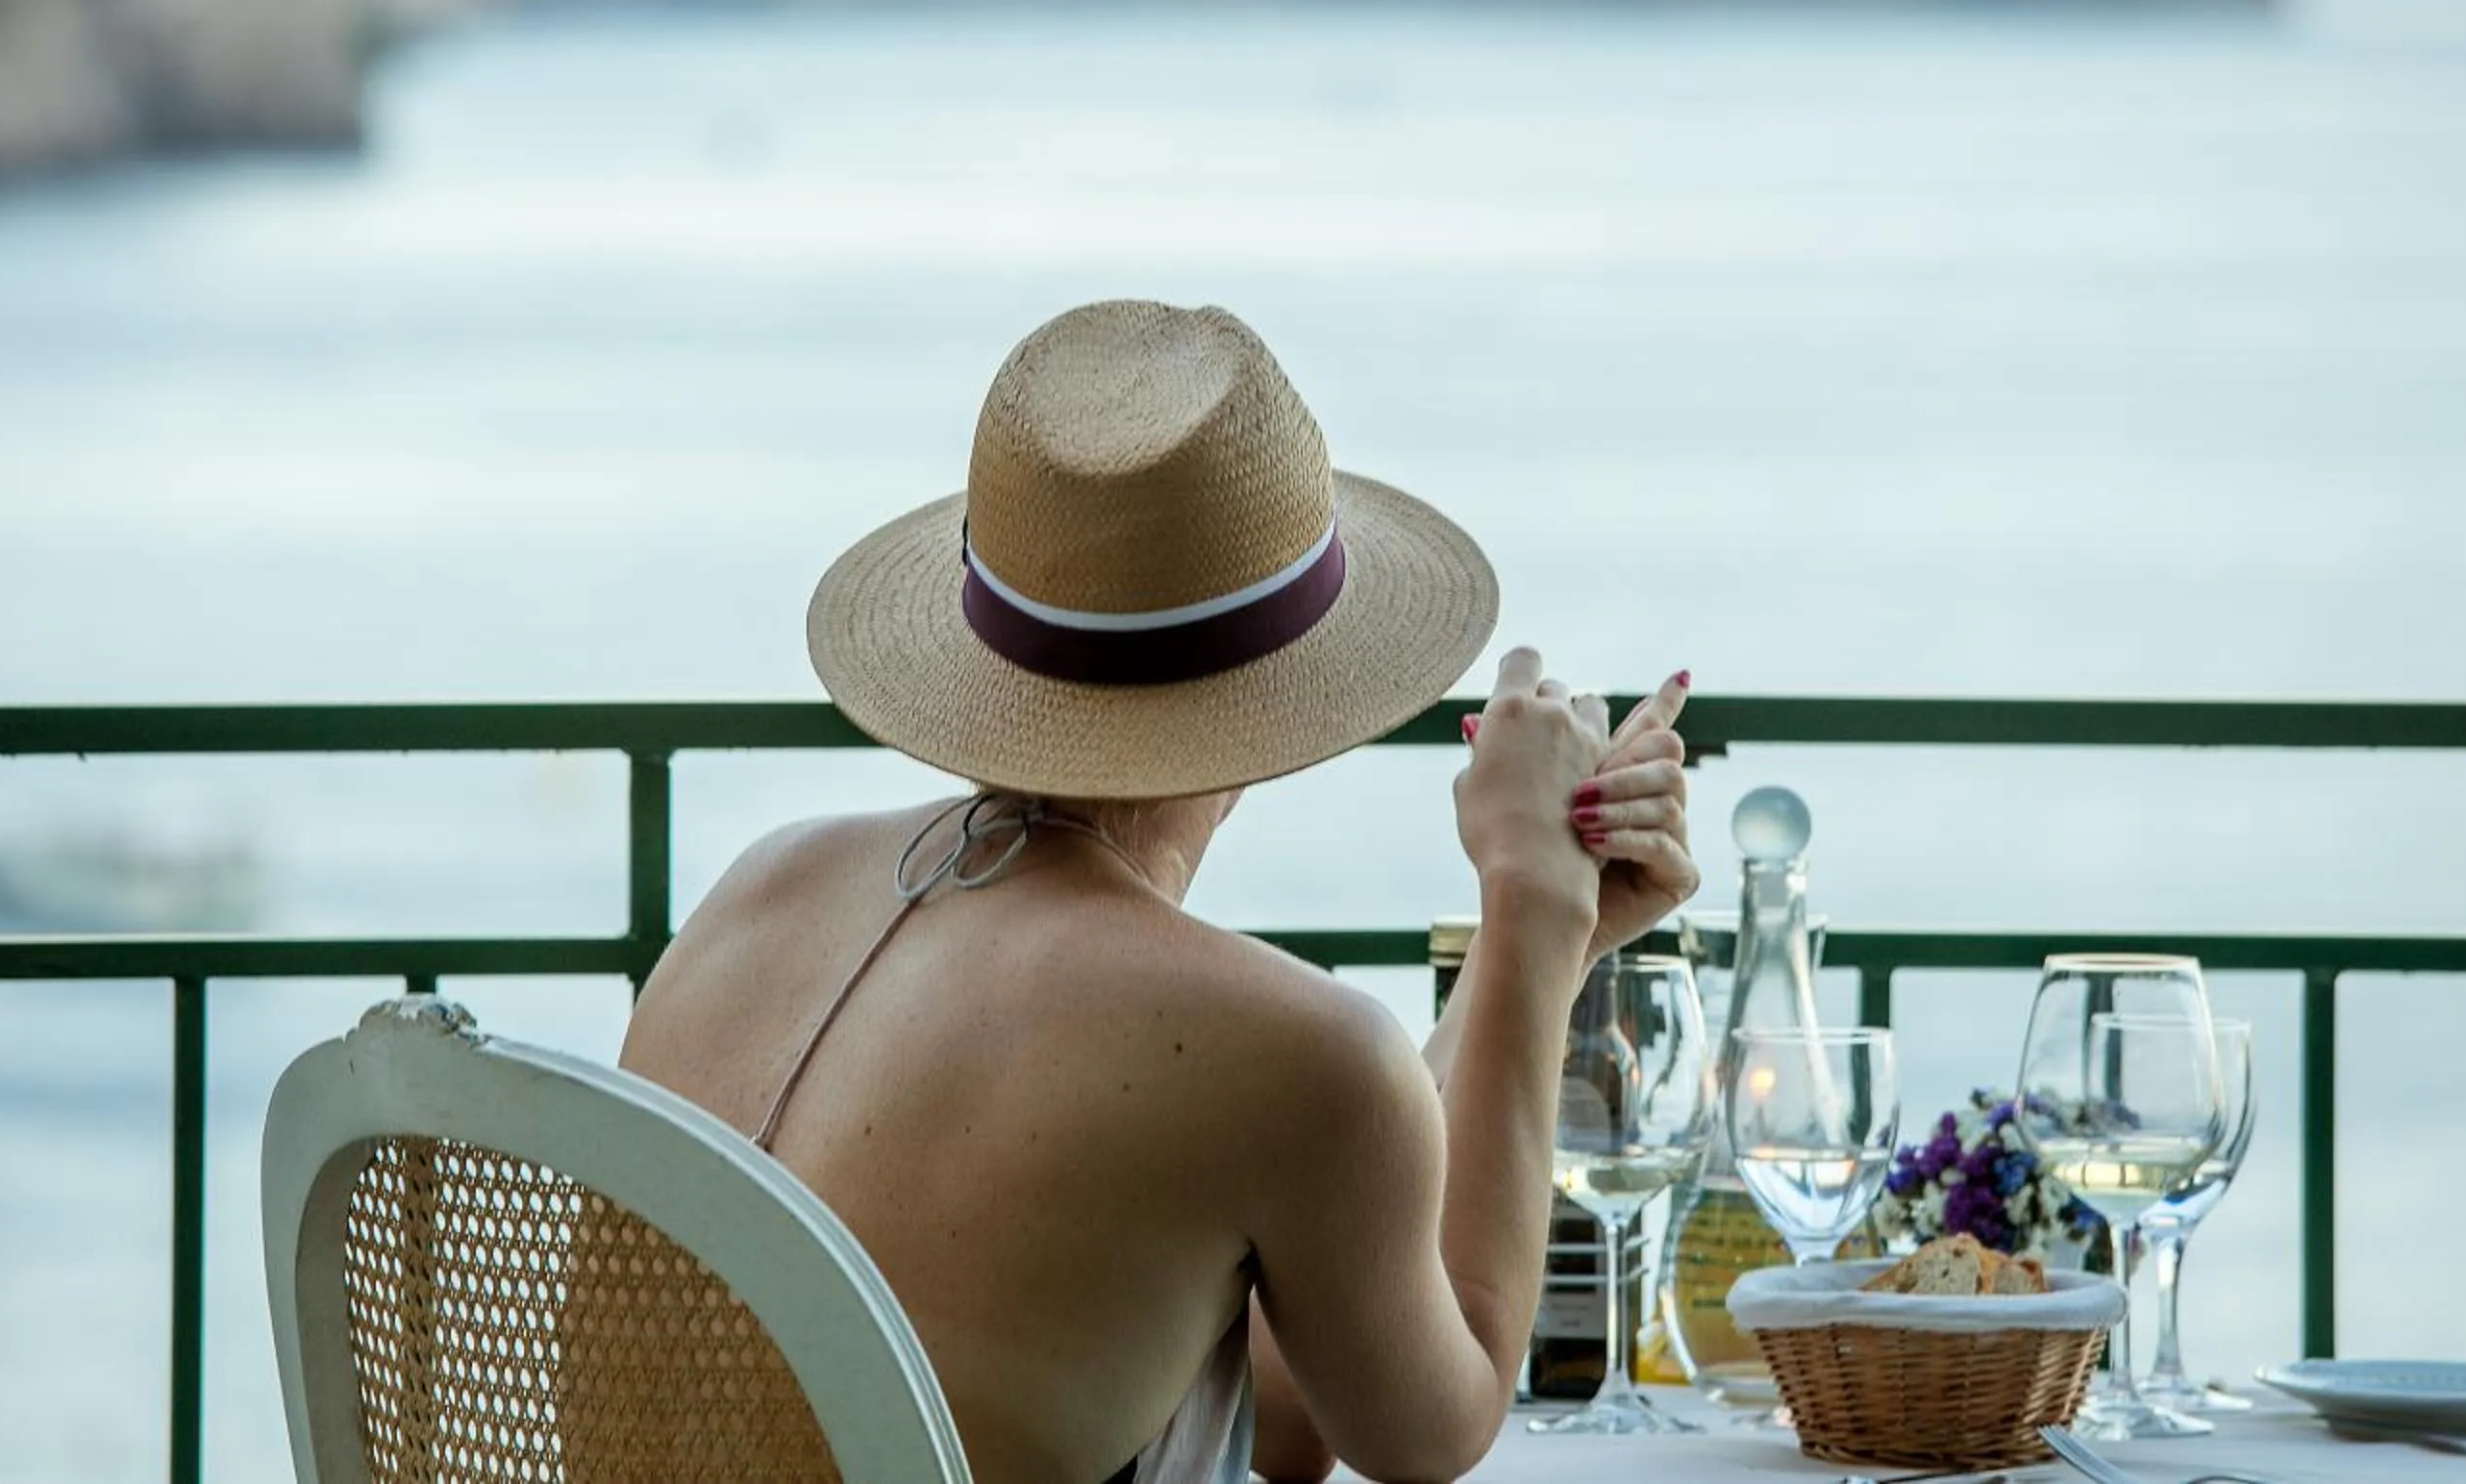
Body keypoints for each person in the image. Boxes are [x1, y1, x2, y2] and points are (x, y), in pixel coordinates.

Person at [619, 300, 1696, 1483]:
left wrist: (1542, 945)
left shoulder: (759, 889)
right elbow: (1438, 1419)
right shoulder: (1283, 1052)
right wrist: (1532, 908)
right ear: (1295, 690)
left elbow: (1292, 1405)